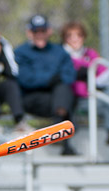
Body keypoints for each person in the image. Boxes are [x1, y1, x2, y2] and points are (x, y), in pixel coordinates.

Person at [60, 21, 109, 164]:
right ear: (65, 38)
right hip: (75, 100)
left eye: (78, 35)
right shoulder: (61, 54)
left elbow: (101, 72)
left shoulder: (90, 53)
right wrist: (82, 72)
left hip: (92, 97)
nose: (75, 39)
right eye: (70, 36)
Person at [14, 14, 78, 156]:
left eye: (43, 31)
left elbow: (69, 75)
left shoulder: (59, 51)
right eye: (36, 31)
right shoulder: (21, 52)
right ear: (29, 33)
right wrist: (49, 80)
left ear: (49, 31)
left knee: (64, 90)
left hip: (56, 97)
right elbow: (25, 79)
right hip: (33, 99)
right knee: (63, 96)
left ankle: (58, 128)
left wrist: (54, 80)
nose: (40, 35)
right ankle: (63, 138)